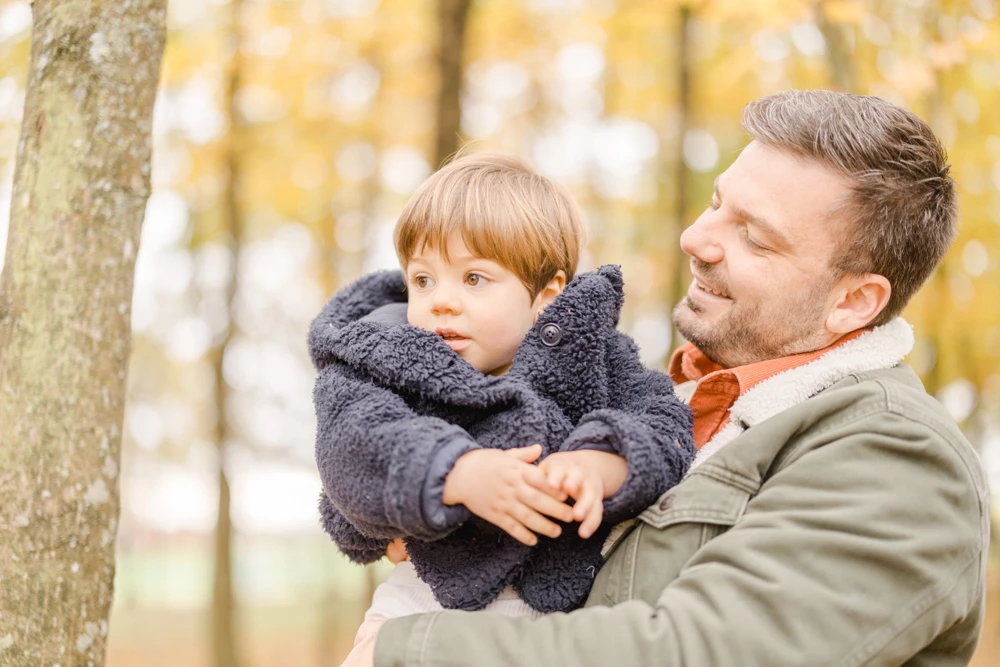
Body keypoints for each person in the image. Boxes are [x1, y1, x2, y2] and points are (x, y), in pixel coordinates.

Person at [363, 90, 990, 666]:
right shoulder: (662, 398)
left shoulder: (899, 461)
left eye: (753, 237)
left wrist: (405, 650)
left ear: (854, 302)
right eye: (717, 204)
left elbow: (697, 653)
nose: (696, 237)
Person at [308, 155, 694, 661]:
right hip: (422, 602)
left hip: (557, 624)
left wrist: (602, 462)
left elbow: (665, 425)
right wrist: (454, 472)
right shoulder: (387, 355)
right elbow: (350, 440)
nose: (441, 301)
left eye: (474, 279)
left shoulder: (594, 356)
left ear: (545, 295)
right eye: (423, 280)